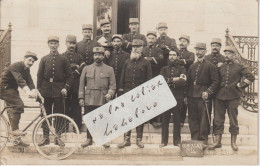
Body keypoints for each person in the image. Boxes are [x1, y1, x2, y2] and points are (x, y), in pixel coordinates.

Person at [208, 46, 255, 151]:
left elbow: (251, 77)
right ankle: (217, 141)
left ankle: (233, 142)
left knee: (233, 120)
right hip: (219, 96)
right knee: (218, 120)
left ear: (234, 55)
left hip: (233, 96)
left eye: (229, 53)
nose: (227, 55)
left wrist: (241, 85)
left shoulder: (239, 66)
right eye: (226, 53)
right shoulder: (220, 66)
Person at [37, 36, 73, 146]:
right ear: (48, 44)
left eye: (55, 43)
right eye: (51, 43)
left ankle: (58, 137)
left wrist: (65, 88)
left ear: (58, 45)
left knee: (59, 113)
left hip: (59, 90)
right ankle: (45, 137)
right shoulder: (44, 59)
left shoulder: (63, 59)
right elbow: (39, 76)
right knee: (45, 114)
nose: (53, 46)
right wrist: (38, 92)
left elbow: (70, 76)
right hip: (46, 90)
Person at [117, 39, 152, 149]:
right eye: (134, 46)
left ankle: (139, 139)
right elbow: (122, 77)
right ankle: (126, 139)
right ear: (131, 48)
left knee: (139, 116)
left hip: (140, 94)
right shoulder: (127, 62)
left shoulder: (146, 63)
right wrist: (121, 90)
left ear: (142, 48)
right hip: (127, 92)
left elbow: (149, 79)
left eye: (138, 46)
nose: (135, 48)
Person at [79, 47, 116, 148]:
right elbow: (81, 84)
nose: (98, 57)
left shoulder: (109, 69)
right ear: (93, 56)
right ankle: (89, 139)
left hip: (102, 98)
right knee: (89, 119)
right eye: (96, 55)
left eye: (100, 54)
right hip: (89, 97)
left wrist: (110, 93)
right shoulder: (86, 69)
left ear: (103, 56)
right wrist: (81, 97)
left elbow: (112, 85)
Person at [0, 51, 39, 147]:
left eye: (33, 61)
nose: (31, 63)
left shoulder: (26, 70)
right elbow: (20, 80)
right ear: (24, 58)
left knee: (13, 112)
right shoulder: (16, 66)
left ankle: (16, 140)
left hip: (12, 90)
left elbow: (29, 81)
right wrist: (27, 91)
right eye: (29, 60)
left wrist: (35, 92)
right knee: (19, 105)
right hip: (4, 88)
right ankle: (14, 131)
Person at [187, 43, 219, 148]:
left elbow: (215, 82)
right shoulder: (192, 66)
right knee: (192, 118)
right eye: (196, 50)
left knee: (204, 119)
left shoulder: (210, 66)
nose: (198, 52)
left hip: (203, 96)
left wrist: (208, 92)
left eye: (200, 50)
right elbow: (188, 82)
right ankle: (194, 139)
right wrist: (186, 96)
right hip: (192, 95)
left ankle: (203, 140)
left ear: (205, 51)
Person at [159, 50, 187, 148]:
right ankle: (164, 141)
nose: (171, 57)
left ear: (177, 57)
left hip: (177, 97)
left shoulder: (182, 68)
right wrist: (175, 79)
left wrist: (169, 80)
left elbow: (183, 81)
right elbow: (161, 81)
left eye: (174, 55)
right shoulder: (164, 69)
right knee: (165, 120)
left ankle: (177, 141)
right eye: (170, 55)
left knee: (177, 120)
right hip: (165, 97)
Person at [62, 35, 85, 130]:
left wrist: (76, 70)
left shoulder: (79, 56)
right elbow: (61, 69)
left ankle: (77, 128)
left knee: (76, 106)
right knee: (65, 106)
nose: (71, 45)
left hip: (76, 84)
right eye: (69, 43)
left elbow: (83, 66)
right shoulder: (62, 56)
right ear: (66, 43)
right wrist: (72, 67)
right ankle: (64, 127)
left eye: (73, 43)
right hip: (65, 85)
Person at [143, 30, 164, 127]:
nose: (151, 40)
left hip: (155, 76)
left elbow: (160, 60)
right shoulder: (143, 49)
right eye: (149, 38)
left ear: (156, 39)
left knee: (155, 99)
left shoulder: (159, 50)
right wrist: (150, 59)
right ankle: (145, 119)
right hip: (144, 76)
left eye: (153, 38)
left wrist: (148, 59)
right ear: (146, 39)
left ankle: (155, 119)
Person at [177, 35, 195, 126]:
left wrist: (178, 60)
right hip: (175, 78)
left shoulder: (191, 54)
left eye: (184, 41)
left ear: (188, 43)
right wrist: (184, 61)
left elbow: (190, 61)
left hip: (186, 78)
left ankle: (181, 120)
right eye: (180, 41)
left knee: (184, 98)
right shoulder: (175, 52)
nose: (182, 43)